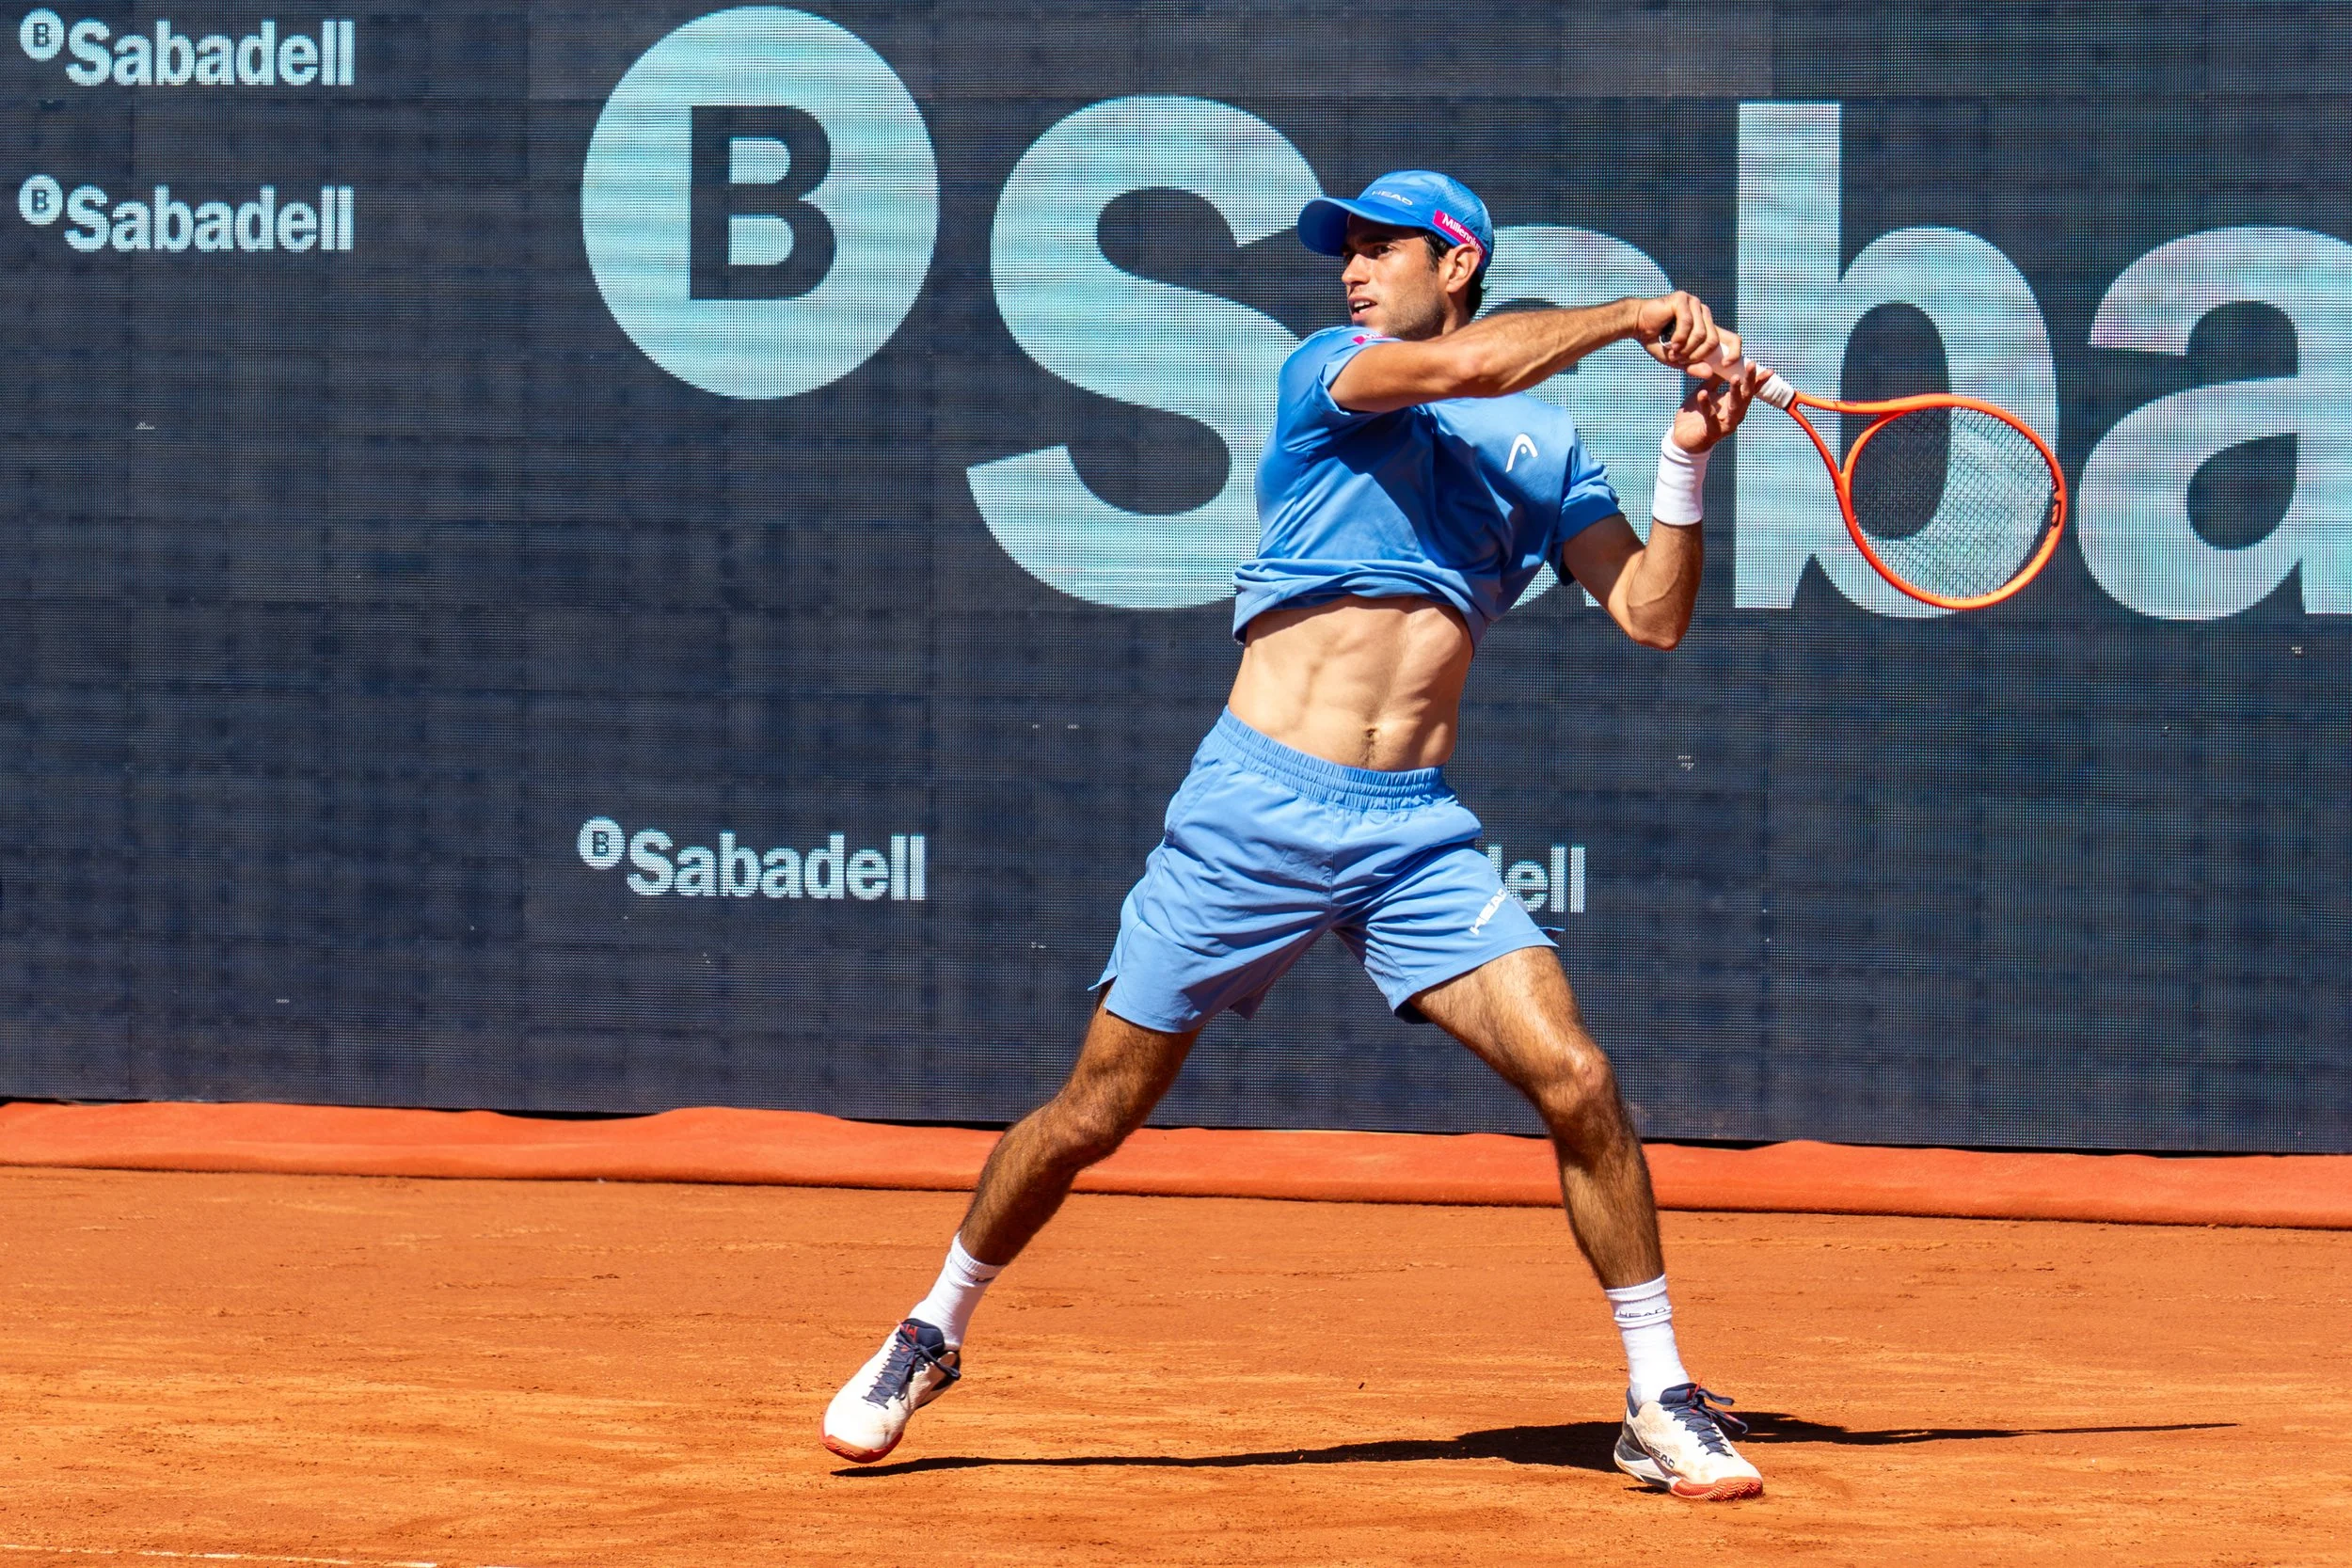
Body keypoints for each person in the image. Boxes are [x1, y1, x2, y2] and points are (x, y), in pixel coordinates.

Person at [824, 169, 1771, 1500]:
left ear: (1459, 261)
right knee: (1093, 1111)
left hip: (1411, 835)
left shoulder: (1544, 450)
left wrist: (1685, 457)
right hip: (1249, 812)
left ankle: (1658, 1395)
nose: (1352, 268)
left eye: (1383, 249)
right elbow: (1479, 366)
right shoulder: (1333, 370)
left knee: (1579, 1077)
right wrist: (1634, 312)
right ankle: (931, 1329)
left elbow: (1653, 614)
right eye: (1349, 250)